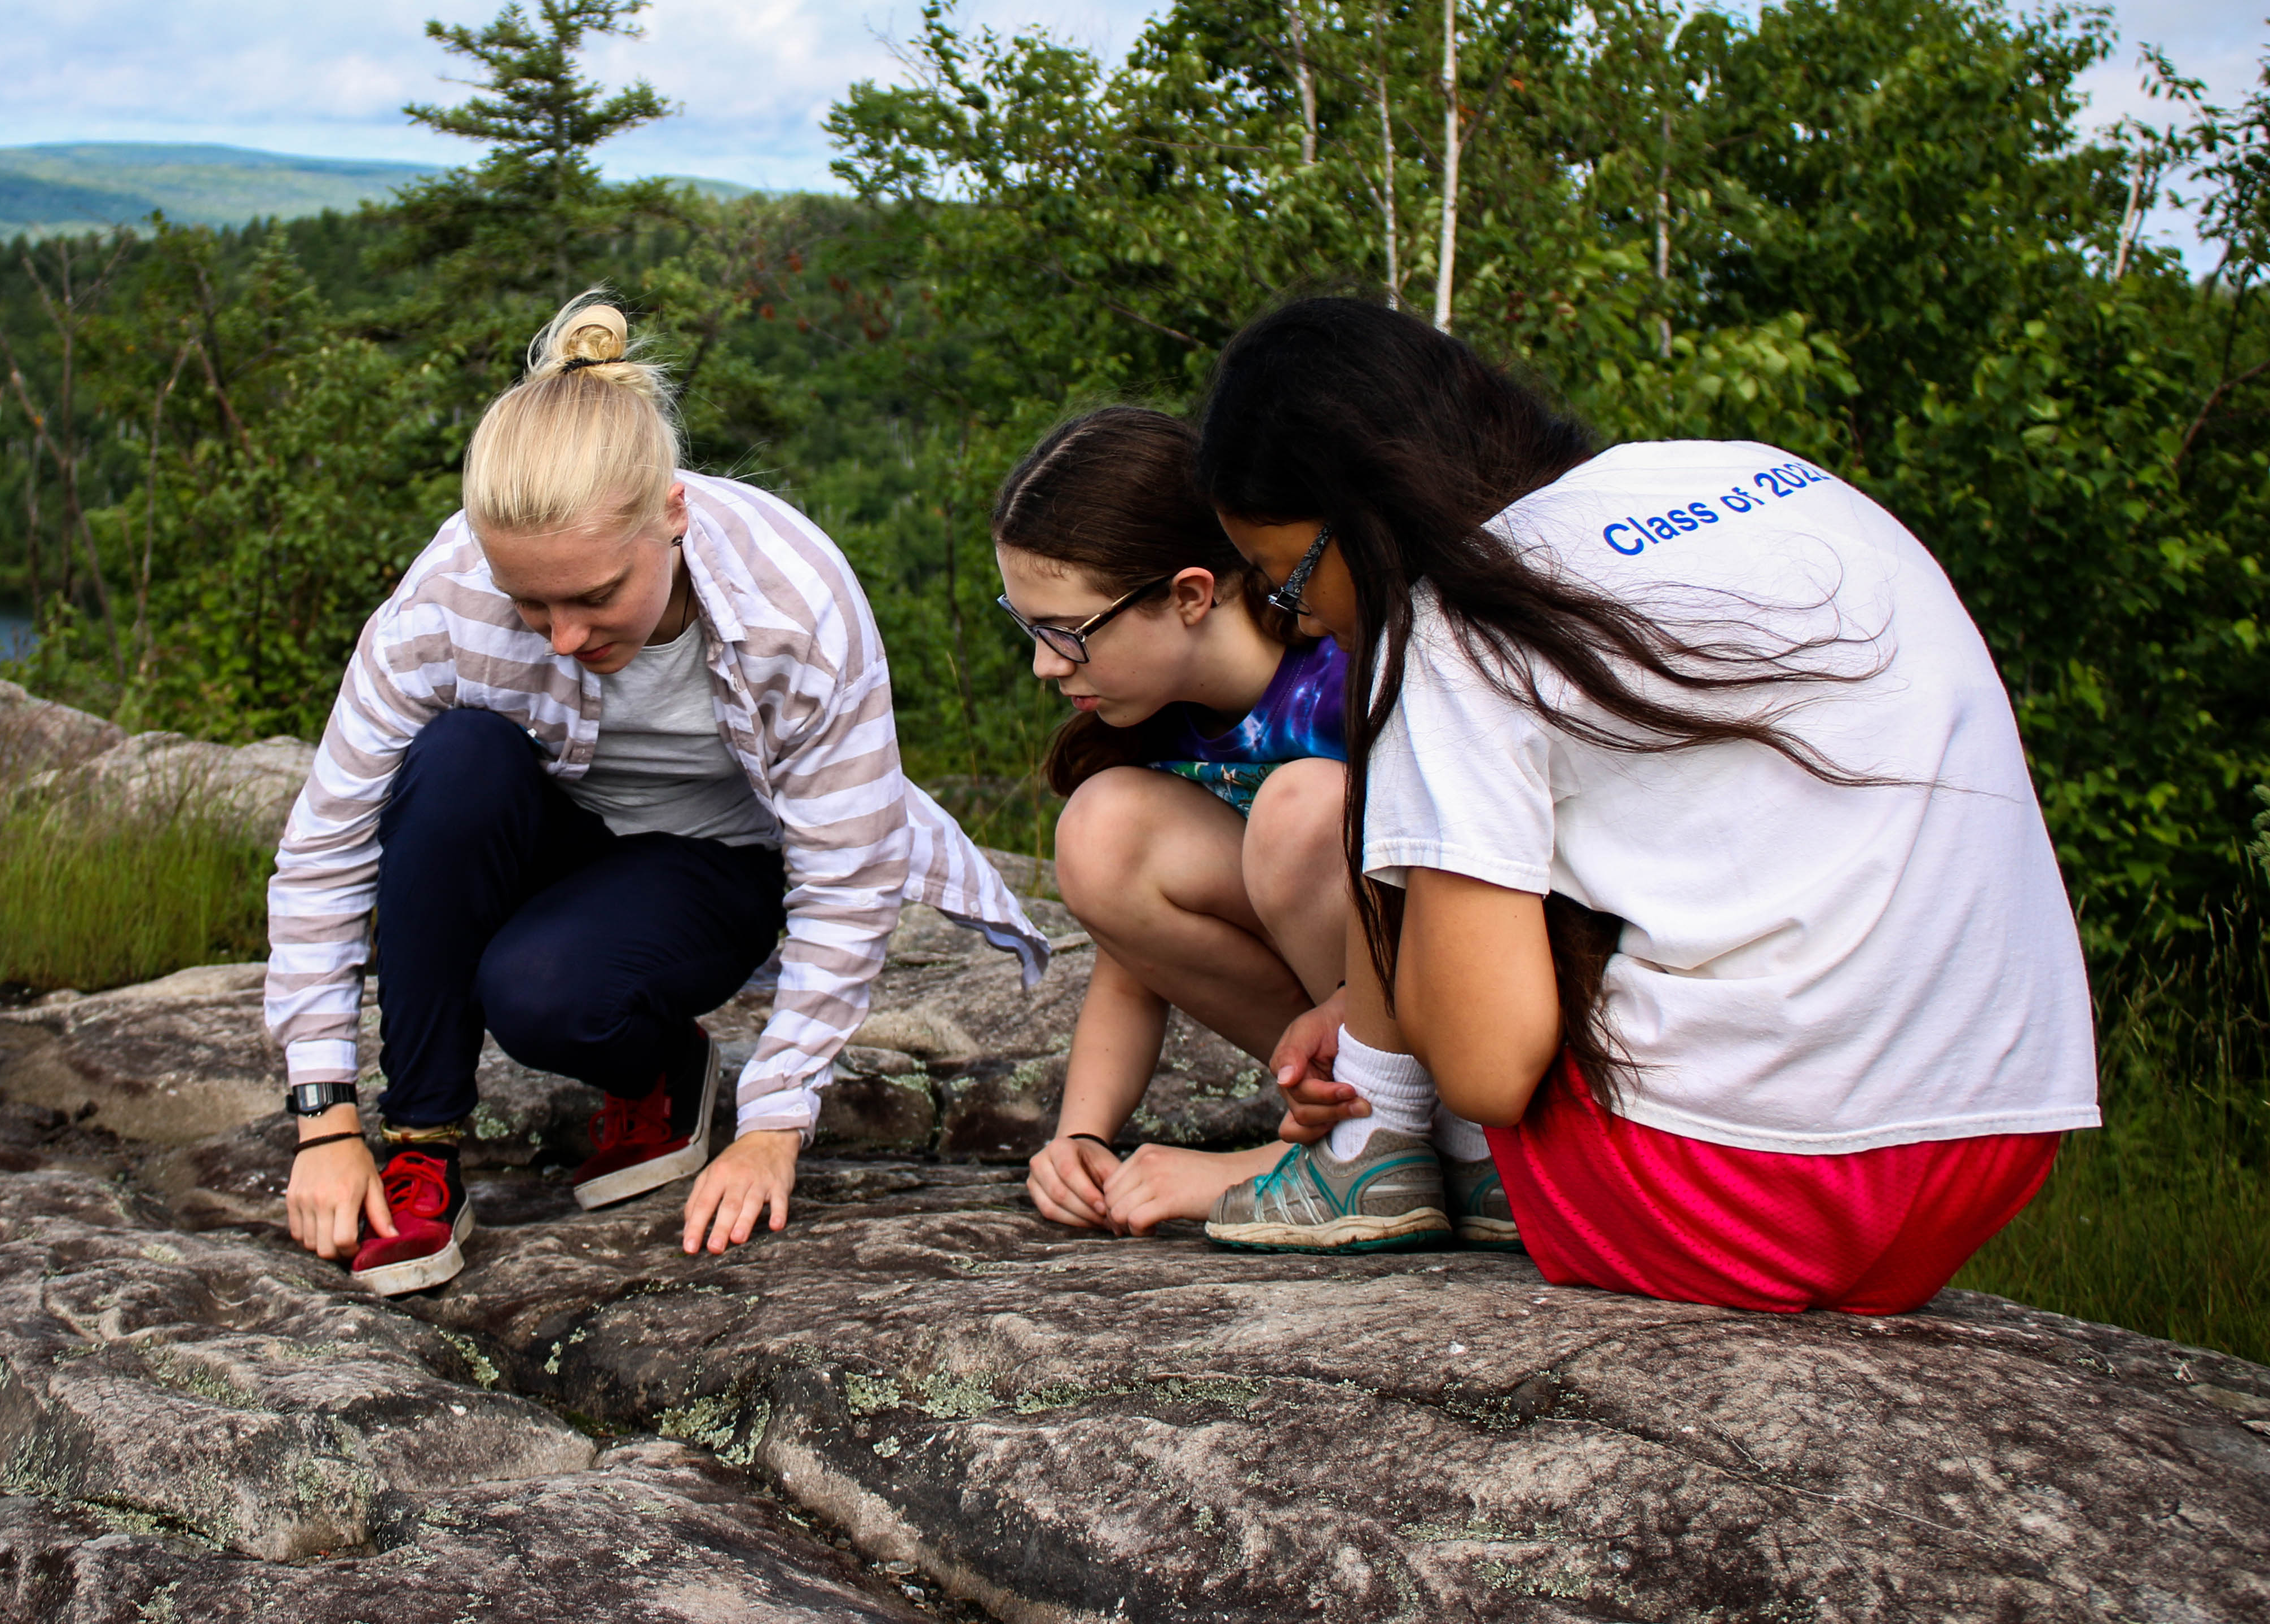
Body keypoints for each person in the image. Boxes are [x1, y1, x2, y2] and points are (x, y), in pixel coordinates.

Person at [1193, 295, 2098, 1313]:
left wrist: (1392, 1028)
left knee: (1391, 774)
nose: (1301, 621)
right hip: (1991, 1146)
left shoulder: (1461, 613)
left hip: (1734, 1189)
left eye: (1291, 576)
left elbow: (1491, 1073)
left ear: (1369, 504)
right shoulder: (1755, 473)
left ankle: (1374, 1149)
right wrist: (1367, 1003)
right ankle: (1391, 1112)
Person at [268, 293, 1048, 1295]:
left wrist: (774, 1123)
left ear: (672, 514)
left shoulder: (794, 604)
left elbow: (846, 877)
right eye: (529, 601)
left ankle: (668, 1071)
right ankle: (421, 1145)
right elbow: (329, 843)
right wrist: (322, 1119)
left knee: (543, 996)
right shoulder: (445, 600)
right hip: (560, 825)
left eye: (595, 597)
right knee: (458, 760)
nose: (561, 636)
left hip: (721, 864)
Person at [986, 408, 1372, 1235]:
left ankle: (1386, 1140)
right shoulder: (1154, 717)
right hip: (1336, 1025)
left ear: (1191, 594)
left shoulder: (1346, 671)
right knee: (1101, 834)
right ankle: (1348, 1117)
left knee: (1300, 812)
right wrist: (1081, 1136)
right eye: (1027, 627)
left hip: (1443, 1004)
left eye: (1066, 633)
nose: (1045, 665)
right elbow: (1135, 963)